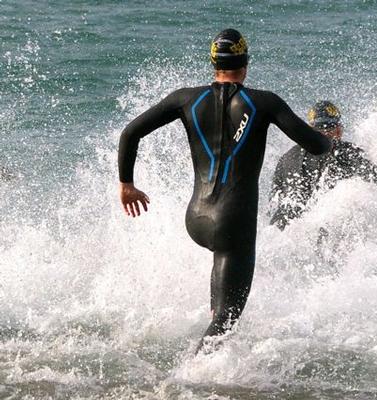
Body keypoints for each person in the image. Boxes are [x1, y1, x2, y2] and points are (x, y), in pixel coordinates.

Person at [117, 29, 331, 352]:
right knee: (227, 319)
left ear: (213, 63)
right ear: (245, 64)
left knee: (220, 300)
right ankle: (191, 376)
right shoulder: (264, 103)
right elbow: (316, 146)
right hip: (233, 224)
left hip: (196, 218)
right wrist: (329, 139)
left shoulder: (185, 99)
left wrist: (126, 184)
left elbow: (130, 133)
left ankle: (210, 347)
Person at [269, 101, 377, 229]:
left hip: (282, 229)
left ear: (309, 127)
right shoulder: (346, 151)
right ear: (338, 130)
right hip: (321, 230)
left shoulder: (286, 158)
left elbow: (273, 202)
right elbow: (374, 183)